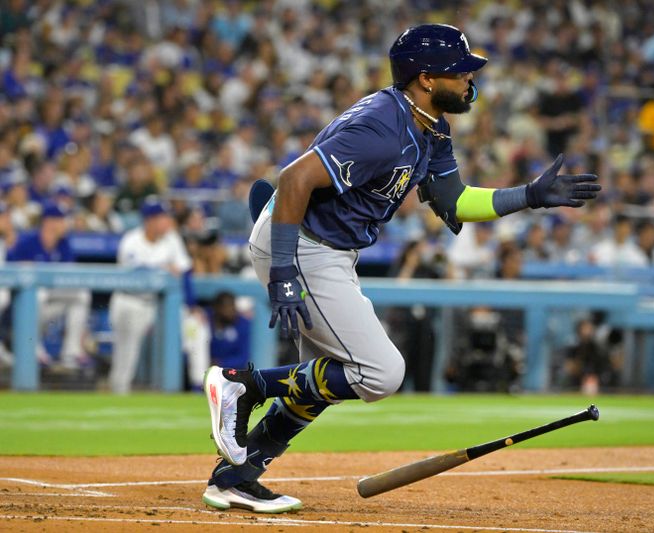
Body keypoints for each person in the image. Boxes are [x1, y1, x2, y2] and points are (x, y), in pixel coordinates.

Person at [202, 23, 600, 514]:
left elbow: (454, 199)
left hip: (327, 249)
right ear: (426, 79)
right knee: (380, 373)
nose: (470, 81)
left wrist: (530, 197)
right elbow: (293, 178)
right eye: (460, 72)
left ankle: (235, 477)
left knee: (323, 380)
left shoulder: (429, 126)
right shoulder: (383, 126)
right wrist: (283, 270)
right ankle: (244, 384)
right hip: (303, 244)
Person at [109, 197, 209, 394]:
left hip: (161, 305)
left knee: (196, 327)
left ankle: (200, 384)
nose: (168, 221)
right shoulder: (131, 240)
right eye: (163, 217)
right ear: (150, 220)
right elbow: (134, 274)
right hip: (131, 301)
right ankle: (118, 392)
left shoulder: (171, 238)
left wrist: (192, 306)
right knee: (126, 354)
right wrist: (162, 269)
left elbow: (185, 271)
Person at [6, 201, 90, 369]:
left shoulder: (64, 244)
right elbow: (9, 276)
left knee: (81, 294)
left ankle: (71, 351)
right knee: (38, 294)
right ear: (48, 222)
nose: (66, 224)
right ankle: (33, 348)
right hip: (20, 307)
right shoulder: (26, 242)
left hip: (51, 302)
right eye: (61, 220)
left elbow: (69, 278)